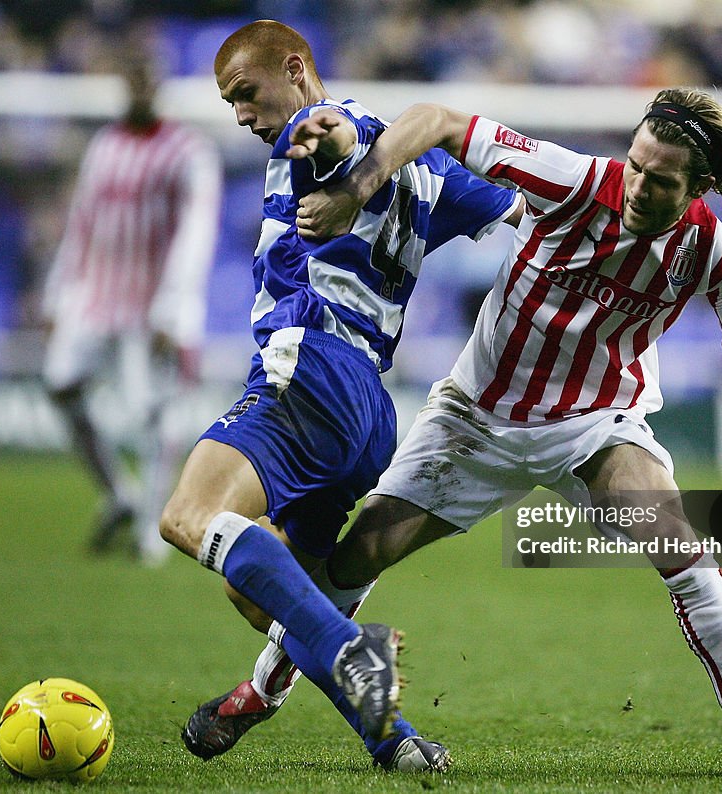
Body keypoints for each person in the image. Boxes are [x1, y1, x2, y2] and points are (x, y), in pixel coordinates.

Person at [209, 88, 722, 779]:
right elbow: (435, 120)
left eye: (661, 180)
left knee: (688, 559)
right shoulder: (576, 181)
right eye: (637, 165)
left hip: (596, 426)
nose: (638, 186)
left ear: (701, 187)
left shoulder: (715, 254)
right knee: (353, 562)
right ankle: (262, 688)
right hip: (476, 420)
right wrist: (357, 187)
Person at [157, 20, 521, 772]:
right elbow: (520, 210)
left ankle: (356, 651)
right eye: (230, 105)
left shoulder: (319, 126)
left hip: (307, 372)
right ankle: (394, 743)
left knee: (188, 517)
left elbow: (335, 134)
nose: (244, 117)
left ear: (296, 68)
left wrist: (329, 139)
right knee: (272, 599)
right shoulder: (432, 175)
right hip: (366, 416)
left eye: (247, 95)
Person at [42, 54, 222, 564]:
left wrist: (174, 306)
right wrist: (59, 291)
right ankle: (120, 493)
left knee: (153, 412)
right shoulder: (105, 145)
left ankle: (151, 529)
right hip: (97, 298)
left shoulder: (188, 151)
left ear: (158, 84)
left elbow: (196, 233)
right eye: (132, 77)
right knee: (60, 385)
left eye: (147, 78)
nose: (140, 87)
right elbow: (82, 221)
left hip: (153, 305)